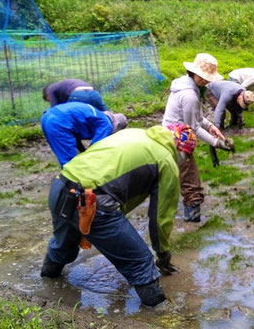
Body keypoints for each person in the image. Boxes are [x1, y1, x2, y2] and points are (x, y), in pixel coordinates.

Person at [40, 124, 194, 308]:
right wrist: (163, 254)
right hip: (91, 203)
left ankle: (44, 290)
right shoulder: (166, 160)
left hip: (61, 186)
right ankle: (160, 314)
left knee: (63, 247)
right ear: (181, 150)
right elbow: (161, 218)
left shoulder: (135, 133)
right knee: (140, 262)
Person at [162, 53, 233, 222]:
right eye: (202, 77)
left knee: (170, 177)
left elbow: (199, 118)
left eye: (207, 77)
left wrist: (211, 127)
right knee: (191, 182)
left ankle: (167, 208)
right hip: (176, 140)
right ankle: (192, 224)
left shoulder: (189, 86)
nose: (205, 80)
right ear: (193, 72)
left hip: (169, 134)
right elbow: (192, 127)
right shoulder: (190, 95)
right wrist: (216, 143)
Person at [41, 102, 127, 167]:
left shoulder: (97, 115)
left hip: (47, 117)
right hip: (60, 122)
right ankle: (73, 185)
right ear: (116, 125)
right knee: (69, 163)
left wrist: (83, 152)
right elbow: (96, 147)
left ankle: (70, 181)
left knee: (64, 157)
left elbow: (76, 137)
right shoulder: (105, 124)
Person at [43, 79, 108, 112]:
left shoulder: (51, 89)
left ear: (47, 95)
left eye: (49, 100)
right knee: (107, 115)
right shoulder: (62, 88)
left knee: (72, 118)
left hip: (78, 95)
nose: (50, 101)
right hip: (94, 93)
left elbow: (55, 109)